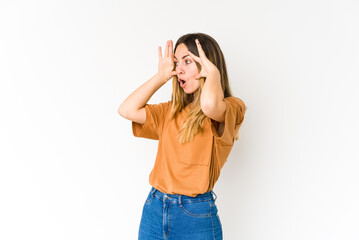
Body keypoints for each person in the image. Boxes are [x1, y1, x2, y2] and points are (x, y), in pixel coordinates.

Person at [118, 32, 247, 239]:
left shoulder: (231, 108)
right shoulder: (170, 111)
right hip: (155, 208)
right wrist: (160, 77)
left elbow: (209, 105)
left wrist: (213, 75)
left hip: (195, 216)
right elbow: (126, 110)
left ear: (208, 65)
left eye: (188, 61)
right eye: (177, 63)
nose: (179, 70)